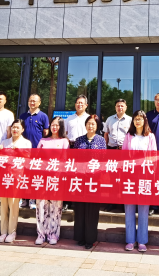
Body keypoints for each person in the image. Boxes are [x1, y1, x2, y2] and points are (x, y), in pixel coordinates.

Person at [122, 110, 157, 252]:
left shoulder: (150, 136)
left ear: (144, 121)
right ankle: (130, 240)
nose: (138, 121)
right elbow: (124, 156)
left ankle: (142, 241)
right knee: (129, 208)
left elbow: (154, 157)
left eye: (140, 119)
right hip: (130, 176)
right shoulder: (128, 136)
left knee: (143, 209)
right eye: (135, 119)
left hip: (145, 176)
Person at [73, 114, 106, 249]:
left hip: (95, 179)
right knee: (80, 208)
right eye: (88, 123)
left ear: (97, 126)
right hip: (80, 178)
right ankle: (80, 237)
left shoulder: (101, 140)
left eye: (93, 124)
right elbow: (74, 159)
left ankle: (90, 239)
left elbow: (103, 160)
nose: (90, 126)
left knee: (92, 209)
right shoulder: (79, 140)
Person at [35, 116, 69, 245]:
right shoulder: (43, 140)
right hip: (42, 177)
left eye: (57, 125)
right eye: (52, 125)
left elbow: (65, 160)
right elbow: (37, 158)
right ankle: (41, 233)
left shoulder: (64, 141)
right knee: (41, 206)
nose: (54, 127)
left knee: (56, 207)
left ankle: (53, 234)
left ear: (61, 127)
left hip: (56, 178)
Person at [0, 119, 32, 244]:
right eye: (13, 127)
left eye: (17, 127)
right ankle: (3, 231)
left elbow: (28, 159)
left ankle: (12, 231)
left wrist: (19, 151)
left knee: (13, 204)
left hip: (17, 177)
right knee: (3, 204)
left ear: (22, 129)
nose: (15, 129)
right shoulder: (4, 142)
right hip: (4, 177)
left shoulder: (26, 143)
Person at [18, 94, 49, 209]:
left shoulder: (43, 116)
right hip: (24, 150)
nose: (32, 103)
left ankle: (32, 199)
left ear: (39, 103)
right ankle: (23, 199)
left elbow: (46, 132)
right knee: (23, 175)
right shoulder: (23, 116)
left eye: (34, 101)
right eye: (30, 101)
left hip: (37, 151)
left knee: (35, 175)